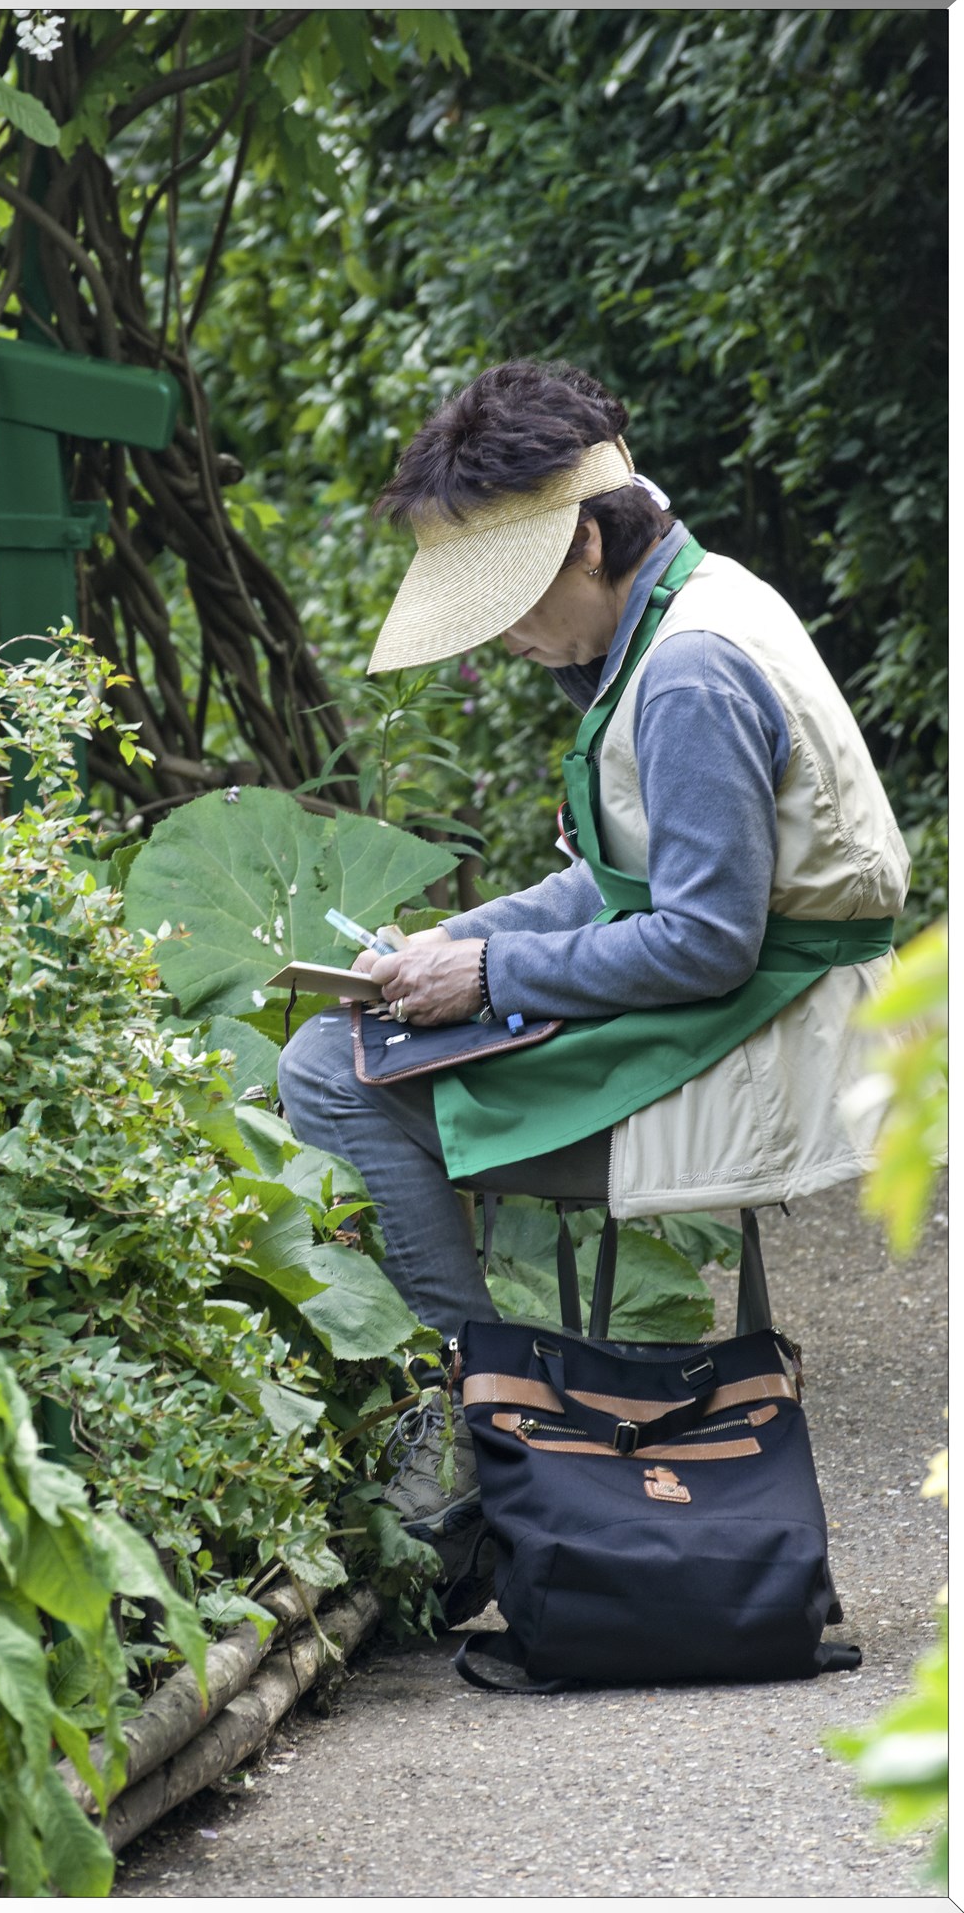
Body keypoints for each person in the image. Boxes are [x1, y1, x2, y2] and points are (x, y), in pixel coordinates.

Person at [278, 359, 910, 1622]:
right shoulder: (683, 604)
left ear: (582, 542)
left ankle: (463, 1417)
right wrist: (448, 947)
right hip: (743, 1007)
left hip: (769, 1048)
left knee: (324, 1079)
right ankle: (478, 1409)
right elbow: (613, 889)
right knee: (358, 1034)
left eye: (511, 605)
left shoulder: (684, 675)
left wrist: (490, 975)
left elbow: (700, 943)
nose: (507, 641)